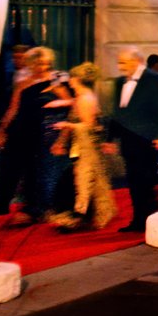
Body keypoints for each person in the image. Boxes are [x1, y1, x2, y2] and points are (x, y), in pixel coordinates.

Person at [0, 46, 70, 225]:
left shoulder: (55, 80)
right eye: (38, 64)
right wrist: (2, 130)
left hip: (43, 131)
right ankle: (5, 204)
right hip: (21, 129)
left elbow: (70, 103)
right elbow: (13, 109)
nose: (42, 67)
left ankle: (38, 208)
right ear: (30, 64)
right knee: (12, 166)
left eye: (45, 63)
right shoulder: (23, 83)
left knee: (38, 170)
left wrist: (57, 110)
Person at [109, 47, 158, 231]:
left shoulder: (154, 79)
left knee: (146, 180)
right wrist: (110, 138)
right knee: (133, 180)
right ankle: (138, 220)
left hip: (147, 138)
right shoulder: (119, 82)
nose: (120, 66)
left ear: (136, 61)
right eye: (119, 62)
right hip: (128, 140)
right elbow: (117, 112)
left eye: (123, 62)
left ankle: (149, 220)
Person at [52, 62, 116, 231]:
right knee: (78, 182)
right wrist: (61, 141)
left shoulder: (86, 99)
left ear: (77, 79)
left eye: (72, 78)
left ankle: (77, 218)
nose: (69, 81)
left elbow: (88, 125)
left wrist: (67, 125)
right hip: (79, 146)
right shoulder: (80, 97)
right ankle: (79, 217)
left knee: (82, 182)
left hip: (86, 148)